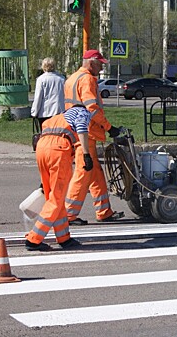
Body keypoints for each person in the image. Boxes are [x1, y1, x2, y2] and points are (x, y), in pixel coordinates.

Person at [64, 49, 124, 226]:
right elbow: (92, 107)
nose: (101, 68)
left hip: (76, 130)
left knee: (95, 173)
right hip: (86, 132)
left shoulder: (72, 78)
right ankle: (68, 215)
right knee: (83, 173)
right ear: (91, 63)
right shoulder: (87, 79)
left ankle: (104, 211)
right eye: (99, 64)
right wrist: (109, 127)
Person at [25, 105, 93, 251]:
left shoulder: (59, 116)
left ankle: (63, 238)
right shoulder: (83, 112)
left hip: (41, 148)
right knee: (56, 198)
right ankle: (34, 239)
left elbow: (44, 127)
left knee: (55, 195)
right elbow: (81, 128)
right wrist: (86, 154)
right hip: (59, 149)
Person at [31, 57, 65, 127]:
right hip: (59, 111)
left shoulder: (41, 79)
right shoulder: (61, 79)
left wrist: (34, 112)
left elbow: (38, 97)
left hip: (45, 112)